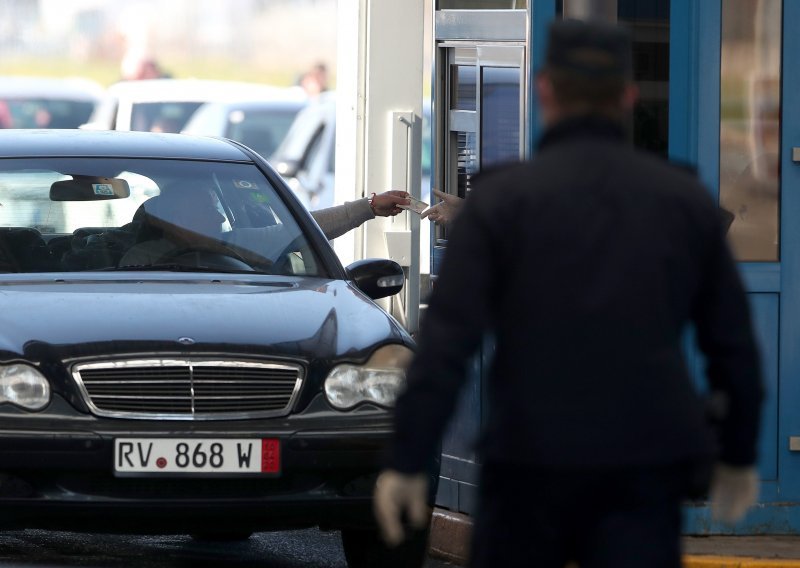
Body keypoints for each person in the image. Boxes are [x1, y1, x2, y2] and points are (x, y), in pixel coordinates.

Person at [374, 19, 763, 568]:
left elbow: (445, 348)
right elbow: (733, 345)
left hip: (529, 462)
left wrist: (409, 459)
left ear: (545, 89)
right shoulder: (682, 201)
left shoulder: (501, 202)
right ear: (628, 96)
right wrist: (739, 453)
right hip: (645, 466)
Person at [119, 188, 409, 267]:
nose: (220, 219)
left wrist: (369, 207)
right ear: (175, 217)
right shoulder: (141, 259)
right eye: (207, 210)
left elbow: (304, 228)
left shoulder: (243, 243)